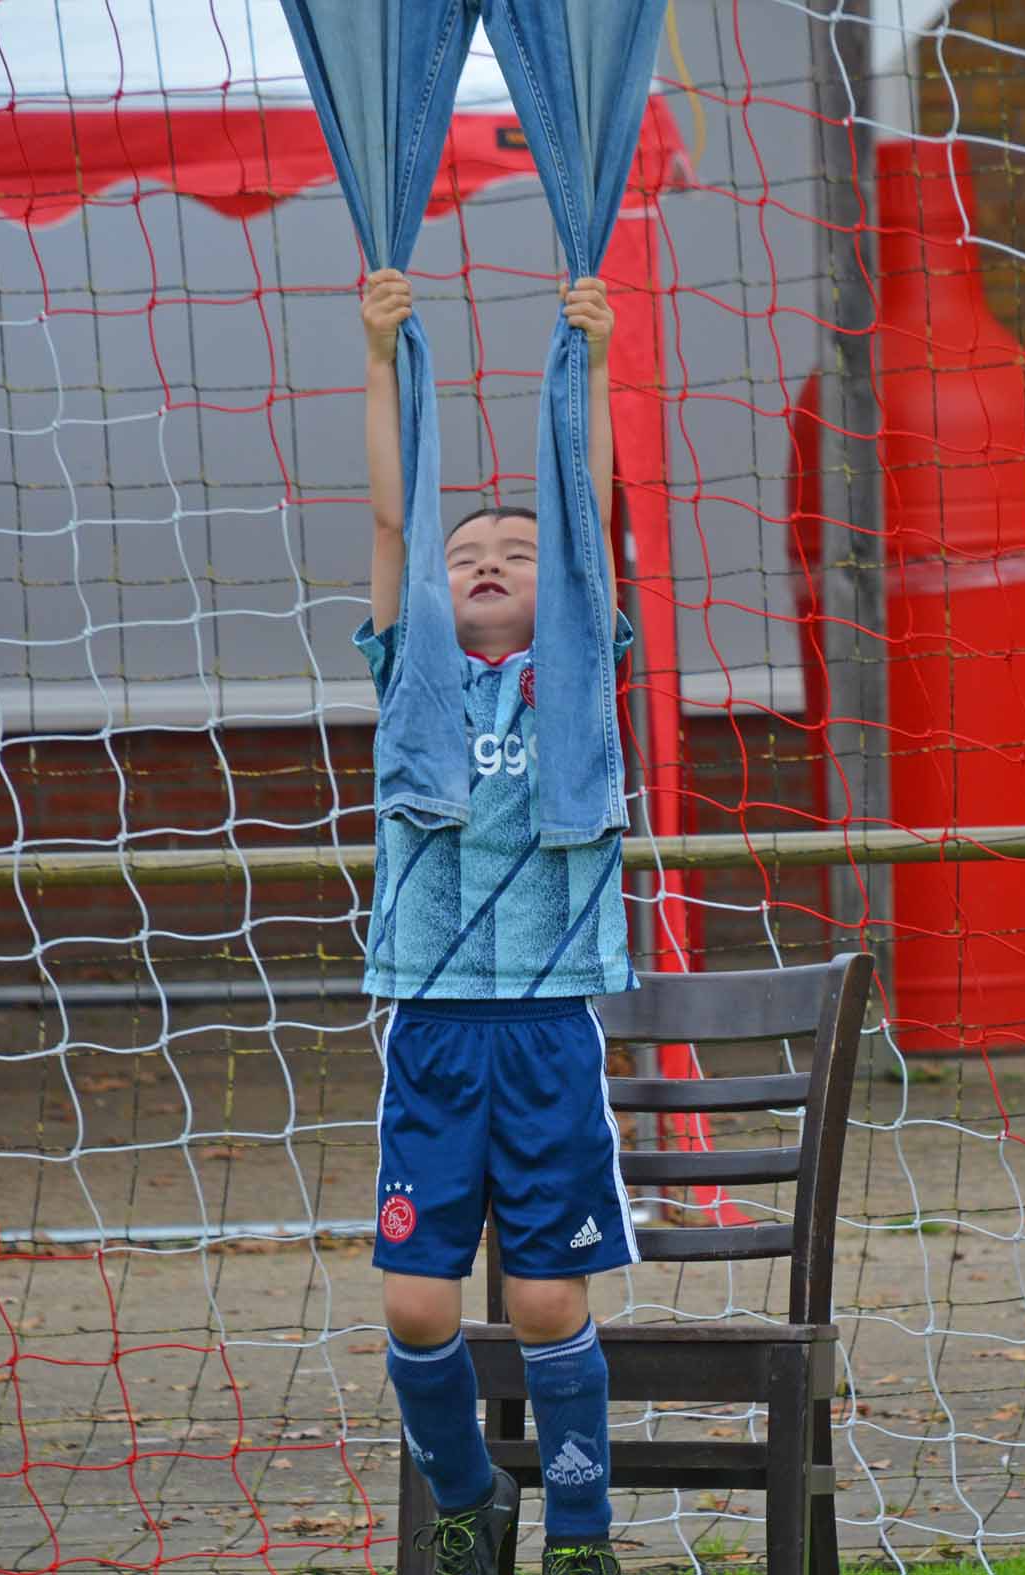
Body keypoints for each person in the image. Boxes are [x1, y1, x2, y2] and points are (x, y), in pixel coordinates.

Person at [357, 267, 638, 1575]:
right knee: (419, 1305)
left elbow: (589, 518)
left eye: (514, 556)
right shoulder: (410, 675)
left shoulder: (577, 676)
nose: (486, 562)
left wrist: (594, 365)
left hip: (543, 1031)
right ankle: (471, 1497)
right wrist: (381, 359)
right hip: (433, 1031)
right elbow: (390, 518)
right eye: (467, 554)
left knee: (541, 1296)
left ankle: (580, 1530)